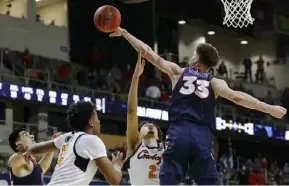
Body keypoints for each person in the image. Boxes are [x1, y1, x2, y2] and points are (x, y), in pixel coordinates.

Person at [110, 27, 287, 185]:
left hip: (179, 132)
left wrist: (125, 34)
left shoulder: (178, 72)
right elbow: (236, 97)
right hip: (203, 136)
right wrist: (268, 108)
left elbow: (147, 52)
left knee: (168, 176)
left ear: (196, 60)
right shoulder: (215, 82)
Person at [24, 101, 124, 185]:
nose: (99, 121)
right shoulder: (93, 141)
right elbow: (114, 180)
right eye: (97, 118)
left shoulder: (66, 137)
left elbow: (35, 148)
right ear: (91, 122)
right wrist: (117, 166)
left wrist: (28, 151)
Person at [126, 52, 165, 185]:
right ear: (138, 133)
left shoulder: (166, 150)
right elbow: (131, 111)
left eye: (152, 125)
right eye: (145, 125)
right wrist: (135, 77)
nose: (149, 126)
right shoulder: (135, 145)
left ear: (159, 137)